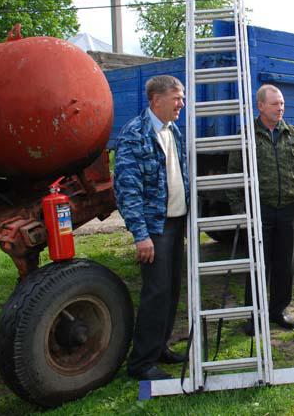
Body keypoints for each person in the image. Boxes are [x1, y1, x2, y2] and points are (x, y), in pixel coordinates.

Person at [114, 75, 190, 381]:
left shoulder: (174, 132)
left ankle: (160, 349)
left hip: (176, 223)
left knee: (171, 291)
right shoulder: (135, 134)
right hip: (155, 227)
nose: (181, 104)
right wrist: (141, 235)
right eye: (177, 98)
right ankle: (141, 363)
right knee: (156, 293)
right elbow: (127, 188)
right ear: (157, 99)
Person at [228, 84, 294, 335]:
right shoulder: (246, 135)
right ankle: (254, 316)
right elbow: (234, 176)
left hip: (289, 209)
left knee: (284, 264)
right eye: (275, 104)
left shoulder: (293, 134)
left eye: (282, 104)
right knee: (258, 265)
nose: (281, 108)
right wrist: (240, 210)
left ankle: (278, 310)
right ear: (261, 106)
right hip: (260, 210)